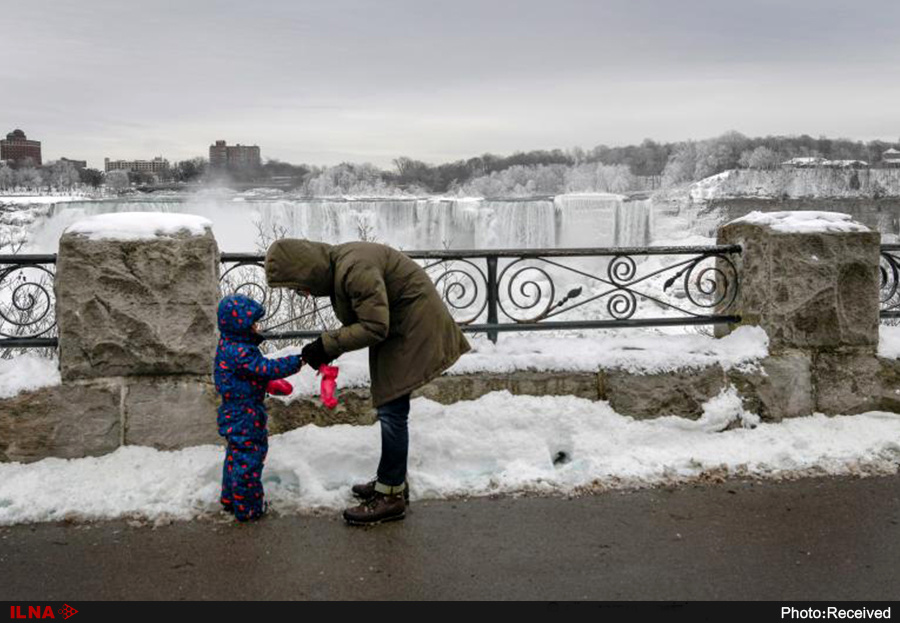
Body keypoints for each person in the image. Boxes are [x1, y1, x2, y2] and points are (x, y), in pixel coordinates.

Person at [265, 239, 471, 525]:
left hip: (413, 329)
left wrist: (326, 346)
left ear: (307, 271)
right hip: (402, 327)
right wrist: (328, 345)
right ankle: (391, 481)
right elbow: (369, 319)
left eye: (297, 286)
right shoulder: (344, 265)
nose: (301, 294)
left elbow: (374, 326)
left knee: (392, 412)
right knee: (391, 408)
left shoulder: (353, 268)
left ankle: (391, 497)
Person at [214, 293, 303, 522]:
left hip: (235, 409)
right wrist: (299, 361)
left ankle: (230, 498)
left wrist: (264, 384)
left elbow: (247, 375)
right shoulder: (242, 351)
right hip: (245, 414)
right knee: (249, 458)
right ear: (241, 326)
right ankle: (249, 508)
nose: (257, 327)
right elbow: (265, 368)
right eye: (254, 323)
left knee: (235, 455)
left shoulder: (230, 343)